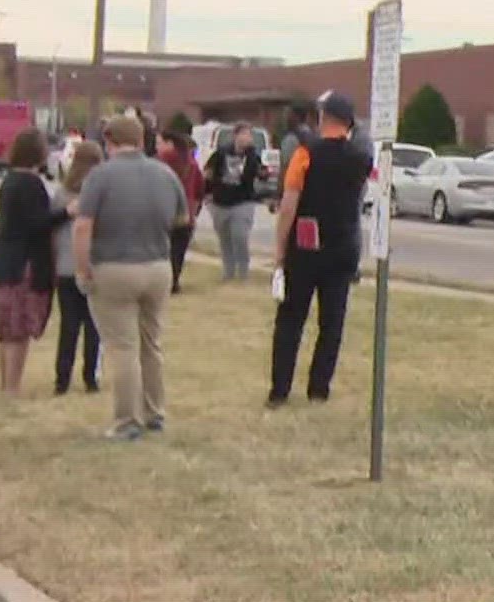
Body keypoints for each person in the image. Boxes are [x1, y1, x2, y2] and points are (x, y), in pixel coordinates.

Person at [72, 115, 188, 440]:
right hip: (158, 266)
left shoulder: (100, 176)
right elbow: (182, 219)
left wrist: (83, 269)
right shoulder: (166, 174)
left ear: (109, 141)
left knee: (122, 347)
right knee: (151, 343)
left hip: (114, 266)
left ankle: (128, 422)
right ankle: (155, 412)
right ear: (141, 140)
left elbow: (83, 225)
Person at [269, 93, 371, 407]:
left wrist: (280, 248)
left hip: (305, 246)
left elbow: (289, 203)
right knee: (332, 324)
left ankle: (280, 390)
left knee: (291, 319)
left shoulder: (305, 153)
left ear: (323, 117)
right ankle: (319, 389)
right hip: (342, 248)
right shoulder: (361, 159)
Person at [0, 128, 64, 396]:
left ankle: (6, 383)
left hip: (5, 261)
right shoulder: (31, 184)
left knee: (6, 329)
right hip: (25, 264)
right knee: (18, 331)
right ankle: (12, 387)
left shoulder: (9, 181)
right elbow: (37, 223)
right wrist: (65, 213)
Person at [51, 140, 103, 394]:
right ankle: (90, 377)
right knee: (94, 326)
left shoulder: (62, 194)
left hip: (64, 266)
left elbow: (52, 229)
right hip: (93, 264)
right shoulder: (100, 194)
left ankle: (62, 379)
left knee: (68, 327)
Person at [205, 123, 264, 280]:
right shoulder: (221, 153)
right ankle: (228, 272)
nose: (247, 138)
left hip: (243, 202)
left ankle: (243, 272)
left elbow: (260, 174)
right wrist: (208, 194)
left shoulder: (253, 156)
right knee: (225, 239)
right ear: (235, 136)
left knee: (240, 236)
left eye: (249, 135)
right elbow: (208, 173)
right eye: (244, 134)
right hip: (220, 202)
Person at [158, 130, 203, 292]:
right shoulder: (192, 163)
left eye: (160, 143)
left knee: (162, 251)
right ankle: (174, 281)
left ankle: (163, 283)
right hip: (186, 214)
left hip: (163, 213)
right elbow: (200, 189)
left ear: (170, 144)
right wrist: (194, 212)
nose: (158, 146)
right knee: (178, 252)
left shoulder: (161, 162)